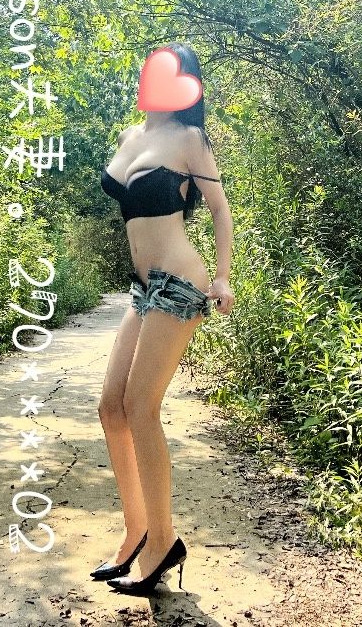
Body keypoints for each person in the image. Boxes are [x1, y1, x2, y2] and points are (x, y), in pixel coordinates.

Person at [91, 41, 235, 596]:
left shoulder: (190, 138)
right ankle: (137, 532)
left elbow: (219, 209)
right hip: (144, 287)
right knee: (111, 408)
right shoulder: (131, 136)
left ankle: (163, 541)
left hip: (181, 282)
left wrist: (222, 278)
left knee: (140, 408)